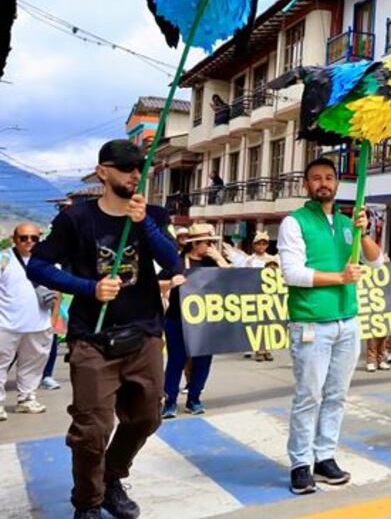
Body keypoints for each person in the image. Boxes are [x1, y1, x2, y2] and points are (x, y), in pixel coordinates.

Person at [27, 139, 184, 519]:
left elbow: (173, 262)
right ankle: (88, 502)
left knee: (147, 418)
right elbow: (38, 266)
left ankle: (112, 477)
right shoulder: (76, 219)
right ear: (102, 172)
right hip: (92, 338)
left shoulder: (153, 215)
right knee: (91, 430)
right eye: (127, 167)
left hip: (144, 334)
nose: (135, 174)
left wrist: (144, 223)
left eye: (140, 168)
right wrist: (89, 288)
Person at [277, 157, 383, 495]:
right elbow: (292, 273)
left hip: (347, 321)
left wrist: (363, 233)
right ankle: (300, 463)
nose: (323, 183)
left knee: (337, 395)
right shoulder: (294, 222)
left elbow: (376, 260)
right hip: (311, 322)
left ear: (337, 183)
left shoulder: (347, 222)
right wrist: (340, 277)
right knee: (309, 395)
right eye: (316, 178)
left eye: (329, 177)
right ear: (306, 184)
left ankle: (324, 457)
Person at [161, 223, 230, 419]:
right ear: (195, 243)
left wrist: (220, 259)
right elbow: (156, 283)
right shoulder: (177, 262)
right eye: (207, 242)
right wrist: (171, 283)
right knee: (176, 360)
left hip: (206, 321)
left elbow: (235, 280)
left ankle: (194, 398)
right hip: (177, 319)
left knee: (203, 361)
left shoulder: (213, 262)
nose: (210, 246)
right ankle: (170, 401)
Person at [0, 222, 55, 419]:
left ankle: (27, 399)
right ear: (15, 239)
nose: (29, 241)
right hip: (6, 324)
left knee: (33, 365)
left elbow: (56, 291)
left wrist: (53, 321)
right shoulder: (4, 259)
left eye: (34, 238)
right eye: (24, 238)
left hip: (39, 325)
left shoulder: (48, 260)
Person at [241, 230, 276, 361]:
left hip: (269, 294)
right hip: (254, 293)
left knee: (268, 321)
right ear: (254, 245)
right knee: (256, 322)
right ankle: (257, 349)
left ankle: (267, 348)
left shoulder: (272, 259)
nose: (261, 246)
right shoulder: (249, 260)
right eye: (259, 244)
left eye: (264, 244)